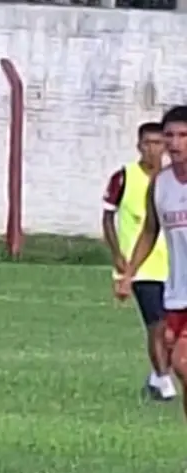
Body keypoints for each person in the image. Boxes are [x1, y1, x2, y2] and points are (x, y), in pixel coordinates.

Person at [117, 105, 187, 420]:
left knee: (182, 362)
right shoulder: (160, 184)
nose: (174, 143)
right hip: (177, 293)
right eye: (169, 135)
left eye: (183, 135)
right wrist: (128, 272)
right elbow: (150, 229)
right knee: (180, 368)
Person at [102, 121, 174, 401]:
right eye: (147, 143)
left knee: (173, 330)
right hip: (142, 267)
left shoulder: (173, 181)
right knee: (156, 324)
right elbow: (108, 215)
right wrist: (119, 255)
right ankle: (165, 386)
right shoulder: (125, 177)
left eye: (158, 143)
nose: (153, 149)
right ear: (139, 146)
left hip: (175, 266)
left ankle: (157, 377)